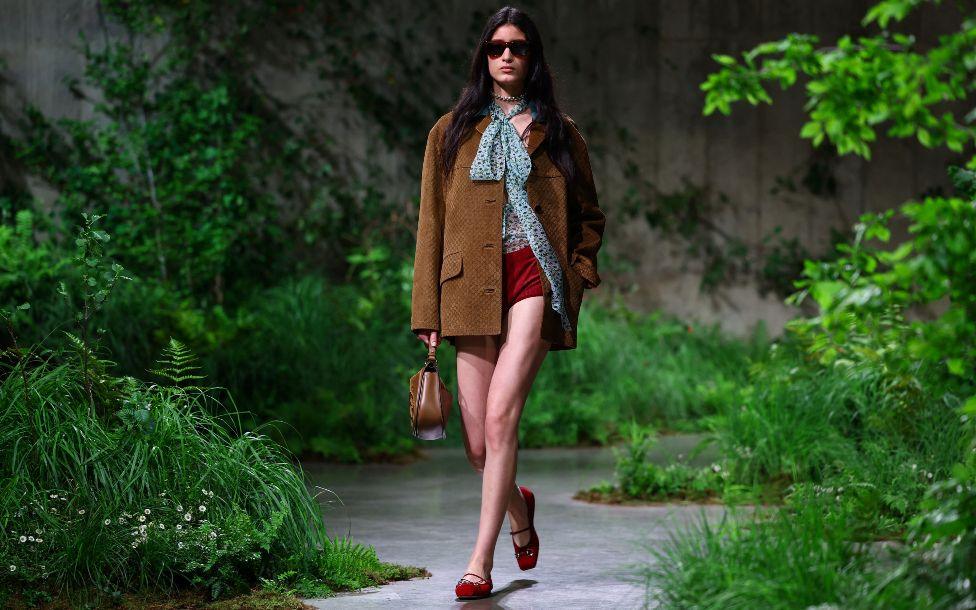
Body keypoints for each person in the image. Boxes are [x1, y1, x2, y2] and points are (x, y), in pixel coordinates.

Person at [410, 5, 606, 601]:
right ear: (483, 56)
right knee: (476, 443)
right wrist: (428, 315)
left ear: (532, 57)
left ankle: (479, 563)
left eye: (517, 46)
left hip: (535, 279)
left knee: (500, 420)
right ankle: (519, 508)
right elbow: (431, 225)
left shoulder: (561, 133)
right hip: (467, 285)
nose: (506, 56)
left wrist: (576, 275)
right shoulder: (450, 132)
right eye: (496, 46)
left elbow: (590, 217)